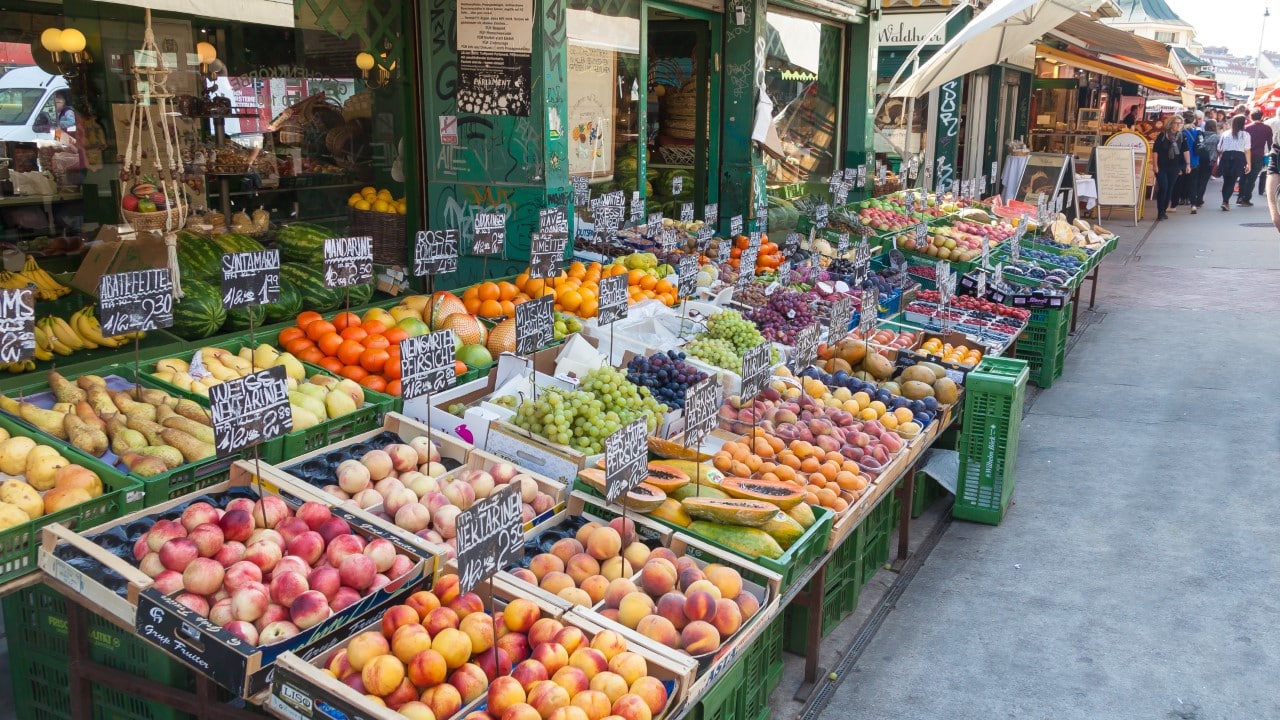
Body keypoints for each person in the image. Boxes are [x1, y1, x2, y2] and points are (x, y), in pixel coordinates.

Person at [1153, 116, 1190, 220]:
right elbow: (1155, 151)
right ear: (1171, 124)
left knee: (1169, 189)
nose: (1179, 125)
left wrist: (1188, 164)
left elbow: (1185, 151)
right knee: (1163, 187)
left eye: (1180, 123)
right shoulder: (1163, 135)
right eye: (1176, 123)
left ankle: (1164, 210)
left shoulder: (1182, 136)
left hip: (1174, 167)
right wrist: (1155, 165)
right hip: (1162, 166)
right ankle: (1160, 212)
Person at [1237, 109, 1273, 206]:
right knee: (1252, 178)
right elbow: (1270, 144)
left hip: (1245, 155)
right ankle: (1246, 198)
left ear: (1251, 117)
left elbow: (1240, 143)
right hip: (1258, 155)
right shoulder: (1267, 128)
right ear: (1261, 117)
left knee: (1243, 177)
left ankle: (1240, 197)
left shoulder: (1246, 128)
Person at [1217, 114, 1251, 210]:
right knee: (1232, 181)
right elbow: (1247, 150)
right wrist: (1249, 164)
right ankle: (1225, 201)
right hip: (1239, 158)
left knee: (1226, 180)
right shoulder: (1245, 135)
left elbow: (1219, 148)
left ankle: (1225, 201)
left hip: (1226, 157)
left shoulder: (1225, 133)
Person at [1175, 110, 1202, 211]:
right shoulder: (1198, 131)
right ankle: (1193, 204)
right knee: (1193, 183)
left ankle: (1176, 203)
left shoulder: (1181, 133)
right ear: (1194, 120)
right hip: (1195, 161)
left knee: (1179, 183)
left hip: (1182, 161)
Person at [1195, 118, 1220, 210]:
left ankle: (1194, 198)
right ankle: (1199, 199)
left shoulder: (1200, 136)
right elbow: (1220, 149)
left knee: (1197, 179)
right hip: (1210, 161)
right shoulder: (1217, 137)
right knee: (1204, 181)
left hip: (1198, 159)